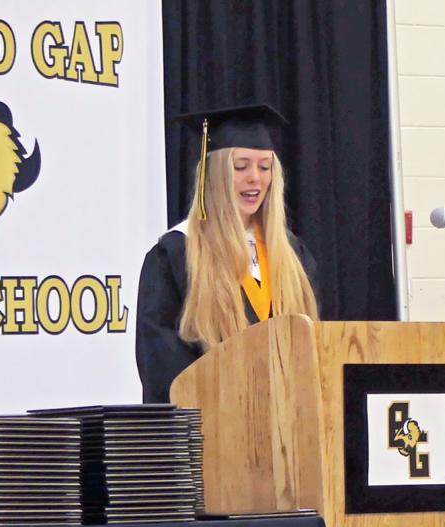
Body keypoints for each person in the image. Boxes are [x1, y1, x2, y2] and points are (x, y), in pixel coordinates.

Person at [135, 104, 320, 402]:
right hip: (211, 433)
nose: (255, 179)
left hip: (287, 431)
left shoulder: (292, 256)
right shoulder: (176, 256)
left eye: (264, 166)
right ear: (215, 174)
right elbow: (163, 371)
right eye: (241, 166)